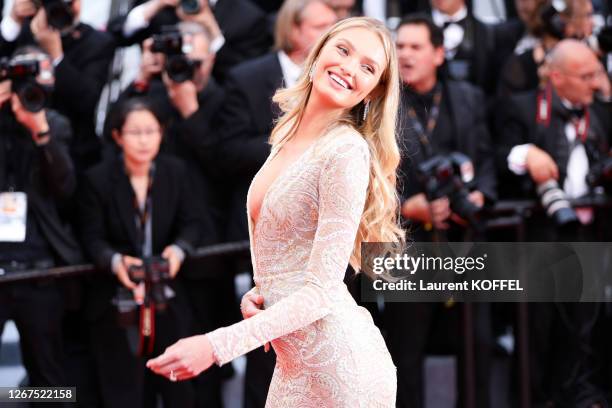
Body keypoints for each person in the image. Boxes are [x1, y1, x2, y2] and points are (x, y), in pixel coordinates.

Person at [147, 16, 403, 406]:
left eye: (368, 68)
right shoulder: (287, 135)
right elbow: (290, 253)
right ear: (318, 53)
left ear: (373, 92)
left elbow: (322, 290)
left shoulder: (345, 150)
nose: (350, 68)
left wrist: (215, 346)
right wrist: (265, 291)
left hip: (340, 369)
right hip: (294, 365)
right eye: (344, 50)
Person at [213, 0, 336, 405]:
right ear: (295, 30)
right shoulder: (248, 77)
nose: (331, 38)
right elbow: (226, 150)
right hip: (264, 235)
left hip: (324, 232)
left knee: (324, 342)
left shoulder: (340, 85)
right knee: (268, 345)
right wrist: (291, 148)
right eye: (321, 27)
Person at [495, 39, 611, 407]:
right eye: (586, 75)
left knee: (584, 330)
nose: (596, 83)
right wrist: (526, 154)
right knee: (537, 332)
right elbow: (496, 159)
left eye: (597, 73)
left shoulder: (604, 112)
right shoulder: (521, 106)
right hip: (538, 240)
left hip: (591, 235)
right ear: (556, 77)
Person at [389, 15, 495, 408]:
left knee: (478, 344)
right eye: (399, 47)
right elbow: (367, 180)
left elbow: (485, 158)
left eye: (415, 47)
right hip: (408, 246)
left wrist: (481, 195)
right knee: (405, 351)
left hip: (465, 241)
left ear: (439, 53)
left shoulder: (467, 96)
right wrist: (405, 208)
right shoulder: (381, 105)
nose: (405, 55)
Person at [77, 98, 200, 407]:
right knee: (124, 391)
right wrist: (115, 262)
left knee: (178, 389)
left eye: (151, 131)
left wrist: (178, 251)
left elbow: (193, 224)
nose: (144, 140)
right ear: (117, 136)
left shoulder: (175, 171)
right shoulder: (97, 179)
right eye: (135, 132)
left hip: (167, 296)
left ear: (161, 133)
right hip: (118, 299)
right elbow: (91, 239)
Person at [0, 46, 81, 392]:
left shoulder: (54, 124)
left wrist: (40, 132)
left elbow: (65, 189)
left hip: (40, 272)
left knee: (48, 378)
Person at [0, 0, 115, 170]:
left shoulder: (97, 42)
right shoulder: (26, 31)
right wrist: (13, 22)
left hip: (74, 151)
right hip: (19, 147)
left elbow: (88, 100)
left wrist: (57, 56)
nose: (63, 9)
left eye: (70, 2)